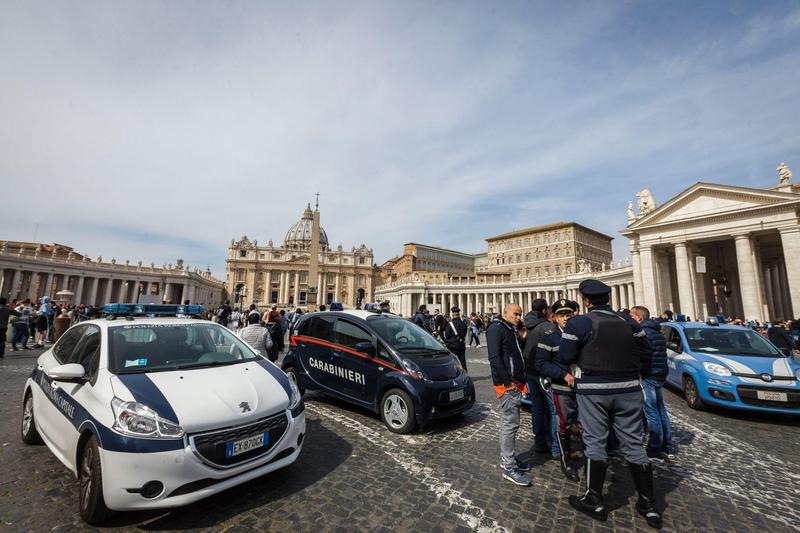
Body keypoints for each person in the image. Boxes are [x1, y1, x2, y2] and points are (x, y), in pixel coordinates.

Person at [558, 279, 661, 528]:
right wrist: (634, 374)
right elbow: (647, 353)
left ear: (587, 300)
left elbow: (565, 356)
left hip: (594, 390)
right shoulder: (629, 322)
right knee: (635, 442)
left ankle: (594, 498)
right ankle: (648, 504)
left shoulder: (580, 323)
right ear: (608, 299)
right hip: (628, 389)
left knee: (595, 441)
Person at [534, 299, 580, 481]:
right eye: (562, 315)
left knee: (583, 424)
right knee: (563, 424)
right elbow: (541, 363)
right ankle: (565, 460)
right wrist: (563, 375)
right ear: (555, 318)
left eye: (568, 314)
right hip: (562, 387)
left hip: (582, 387)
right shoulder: (549, 337)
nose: (566, 318)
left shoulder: (581, 334)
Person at [487, 302, 531, 486]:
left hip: (516, 382)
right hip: (507, 385)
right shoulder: (496, 329)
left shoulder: (510, 328)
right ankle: (508, 466)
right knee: (510, 424)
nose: (519, 317)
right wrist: (507, 382)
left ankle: (510, 458)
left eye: (520, 314)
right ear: (505, 312)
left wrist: (522, 335)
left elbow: (514, 353)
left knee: (513, 423)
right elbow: (494, 358)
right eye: (515, 314)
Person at [630, 305, 674, 462]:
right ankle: (667, 447)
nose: (630, 319)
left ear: (639, 317)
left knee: (651, 412)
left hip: (648, 374)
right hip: (660, 374)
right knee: (661, 410)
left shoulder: (643, 333)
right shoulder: (658, 332)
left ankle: (655, 450)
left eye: (632, 316)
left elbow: (643, 356)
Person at [521, 298, 554, 456]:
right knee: (552, 408)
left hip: (530, 369)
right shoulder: (547, 326)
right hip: (544, 371)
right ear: (544, 310)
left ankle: (540, 441)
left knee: (537, 407)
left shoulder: (527, 323)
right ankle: (555, 444)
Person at [442, 307, 468, 372]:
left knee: (451, 361)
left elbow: (446, 335)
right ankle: (465, 373)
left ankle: (452, 374)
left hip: (452, 345)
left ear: (453, 315)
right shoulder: (463, 324)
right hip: (461, 345)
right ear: (459, 314)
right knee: (462, 360)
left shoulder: (450, 324)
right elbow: (464, 334)